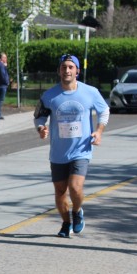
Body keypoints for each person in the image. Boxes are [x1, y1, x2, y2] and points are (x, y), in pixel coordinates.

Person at [34, 54, 110, 238]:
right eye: (63, 67)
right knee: (60, 191)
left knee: (75, 187)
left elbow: (104, 110)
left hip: (81, 150)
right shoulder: (50, 95)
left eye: (70, 67)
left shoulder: (90, 92)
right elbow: (39, 116)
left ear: (77, 71)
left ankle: (77, 211)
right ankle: (65, 222)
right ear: (58, 71)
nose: (67, 70)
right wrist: (41, 128)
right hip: (58, 152)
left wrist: (99, 131)